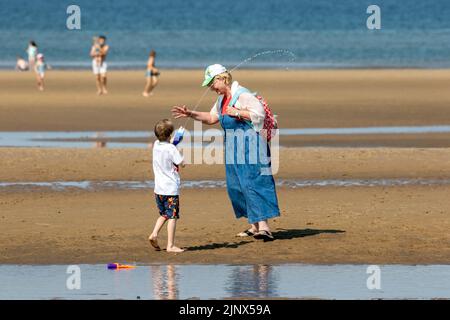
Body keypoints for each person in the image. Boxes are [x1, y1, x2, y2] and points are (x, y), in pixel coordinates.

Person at [172, 64, 280, 241]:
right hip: (233, 147)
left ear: (221, 79)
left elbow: (259, 114)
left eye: (211, 84)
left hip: (252, 145)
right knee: (236, 186)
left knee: (253, 182)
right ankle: (254, 226)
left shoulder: (242, 94)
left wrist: (237, 112)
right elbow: (212, 118)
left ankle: (265, 227)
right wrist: (190, 113)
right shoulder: (222, 99)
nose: (210, 88)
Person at [148, 119, 185, 253]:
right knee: (173, 216)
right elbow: (181, 162)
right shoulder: (171, 148)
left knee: (164, 214)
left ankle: (154, 234)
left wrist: (175, 141)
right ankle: (170, 245)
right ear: (169, 135)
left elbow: (167, 146)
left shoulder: (156, 144)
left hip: (159, 190)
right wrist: (176, 145)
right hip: (170, 189)